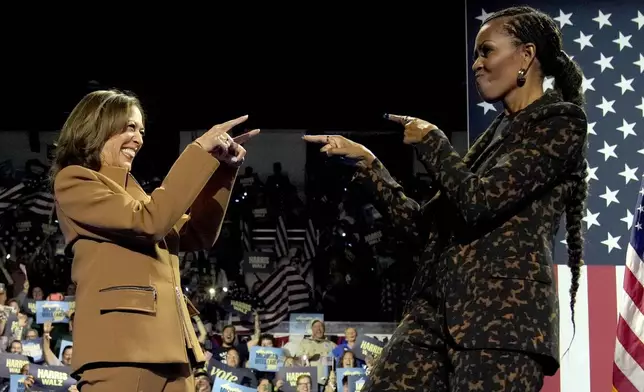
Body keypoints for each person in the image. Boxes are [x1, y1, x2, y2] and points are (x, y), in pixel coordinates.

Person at [304, 6, 587, 391]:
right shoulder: (493, 138)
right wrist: (369, 164)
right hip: (434, 315)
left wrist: (434, 142)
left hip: (502, 327)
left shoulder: (560, 123)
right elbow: (422, 229)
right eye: (475, 54)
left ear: (526, 55)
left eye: (486, 51)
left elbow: (481, 200)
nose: (476, 64)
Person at [51, 89, 260, 391]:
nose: (138, 139)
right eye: (129, 127)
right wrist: (198, 151)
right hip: (122, 351)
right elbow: (148, 222)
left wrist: (223, 171)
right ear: (96, 127)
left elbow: (197, 235)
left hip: (173, 349)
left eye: (141, 130)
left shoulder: (137, 196)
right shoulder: (75, 181)